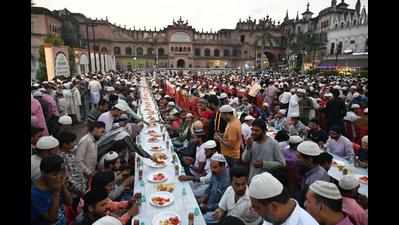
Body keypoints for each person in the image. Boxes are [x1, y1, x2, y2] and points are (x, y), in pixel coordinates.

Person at [248, 172, 319, 225]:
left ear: (274, 206)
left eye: (257, 207)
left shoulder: (306, 223)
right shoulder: (272, 216)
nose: (253, 210)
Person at [31, 155, 73, 225]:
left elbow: (69, 202)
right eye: (54, 174)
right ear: (43, 173)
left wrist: (63, 186)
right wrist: (56, 192)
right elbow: (52, 218)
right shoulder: (35, 194)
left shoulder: (56, 182)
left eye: (62, 172)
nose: (59, 177)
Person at [75, 189, 139, 225]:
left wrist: (128, 203)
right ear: (91, 208)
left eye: (107, 202)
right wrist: (129, 214)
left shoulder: (99, 212)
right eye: (103, 205)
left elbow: (114, 207)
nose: (107, 206)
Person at [295, 141, 330, 206]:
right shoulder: (305, 169)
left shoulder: (316, 179)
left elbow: (310, 204)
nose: (296, 159)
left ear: (310, 160)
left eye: (299, 157)